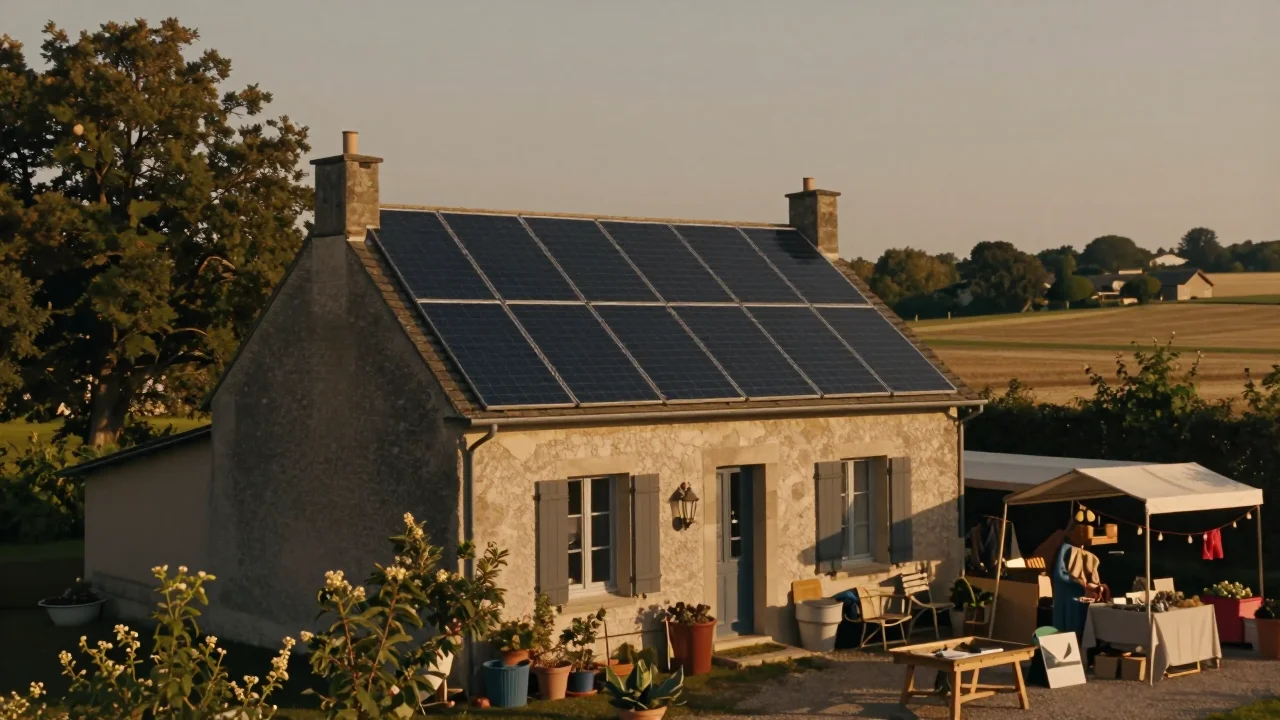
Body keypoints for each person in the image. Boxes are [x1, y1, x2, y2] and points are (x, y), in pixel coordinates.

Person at [1051, 528, 1094, 634]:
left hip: (1078, 598)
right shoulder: (1065, 549)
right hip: (1066, 597)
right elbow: (1059, 574)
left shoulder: (1081, 551)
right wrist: (1079, 582)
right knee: (1065, 629)